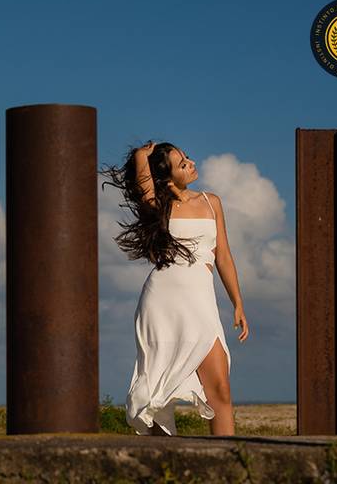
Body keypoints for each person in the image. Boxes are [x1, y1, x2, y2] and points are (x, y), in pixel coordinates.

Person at [99, 140, 249, 436]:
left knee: (220, 388)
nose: (191, 164)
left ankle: (229, 459)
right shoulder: (159, 206)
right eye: (182, 164)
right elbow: (144, 187)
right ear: (167, 178)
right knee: (158, 390)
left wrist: (238, 302)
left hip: (201, 301)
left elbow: (224, 256)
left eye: (187, 158)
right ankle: (162, 458)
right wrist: (141, 156)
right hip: (163, 302)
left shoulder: (211, 201)